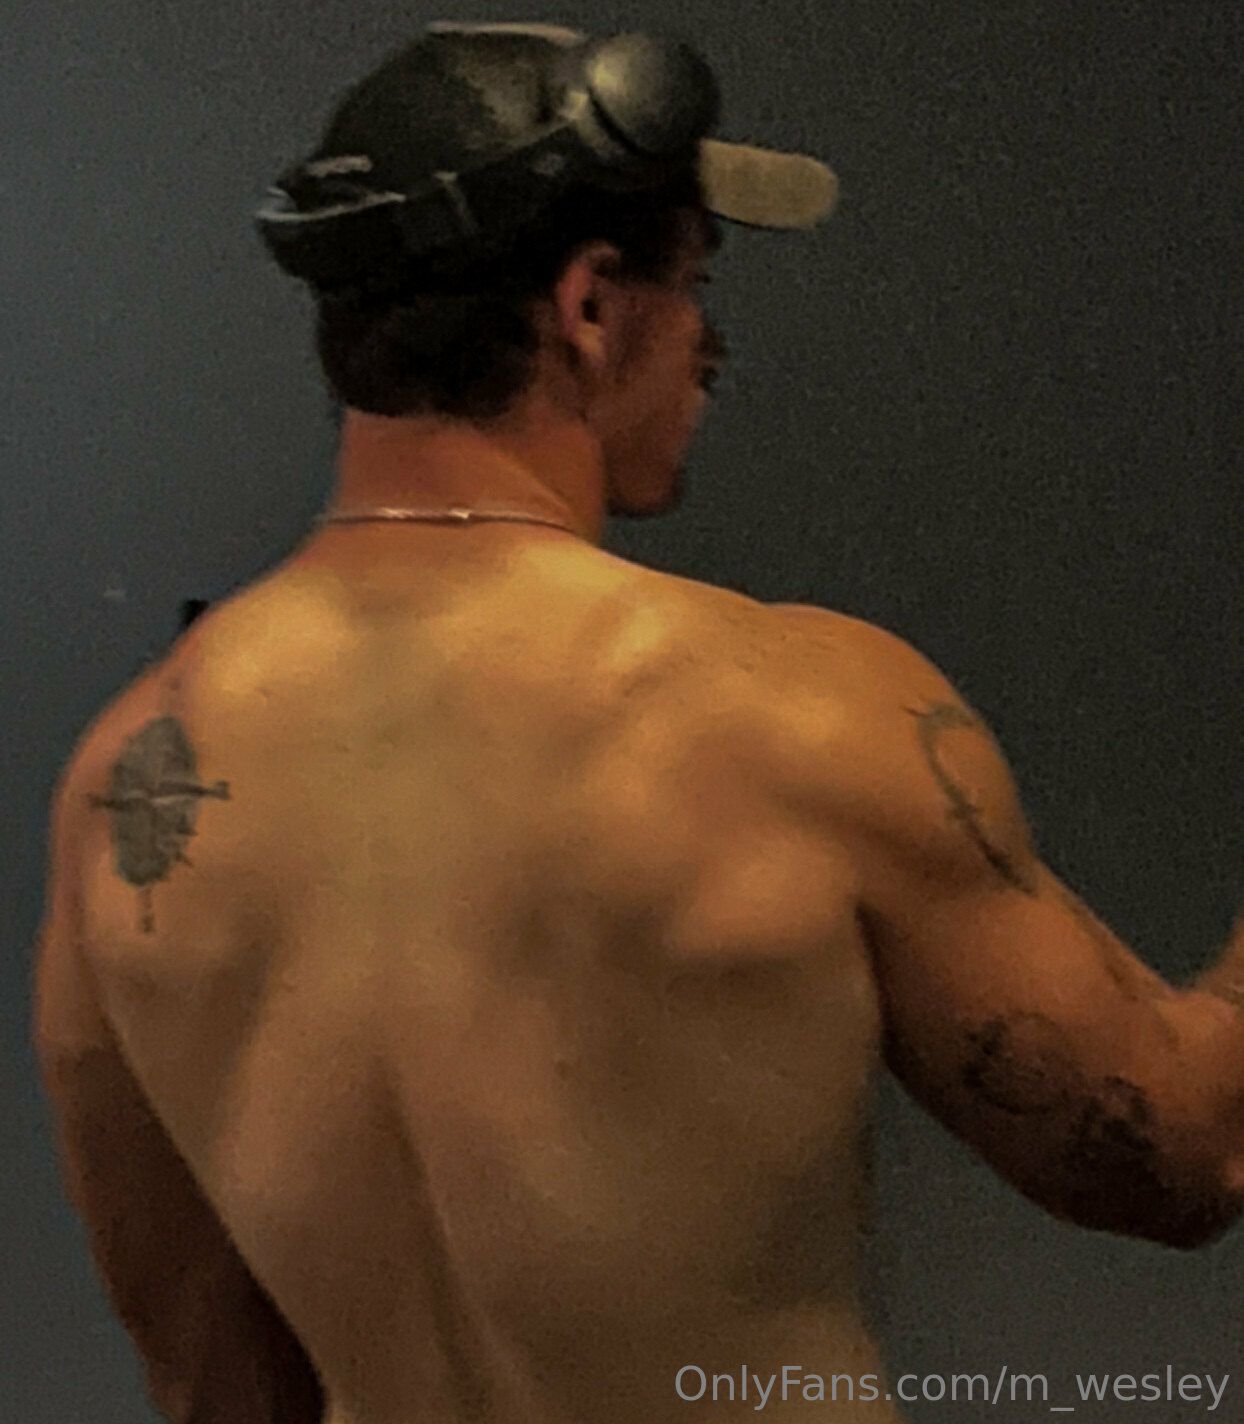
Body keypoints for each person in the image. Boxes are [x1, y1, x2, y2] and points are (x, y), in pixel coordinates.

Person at [32, 22, 1244, 1424]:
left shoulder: (121, 785)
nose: (709, 347)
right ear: (594, 306)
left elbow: (213, 1385)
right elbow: (1182, 1156)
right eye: (697, 285)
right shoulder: (797, 713)